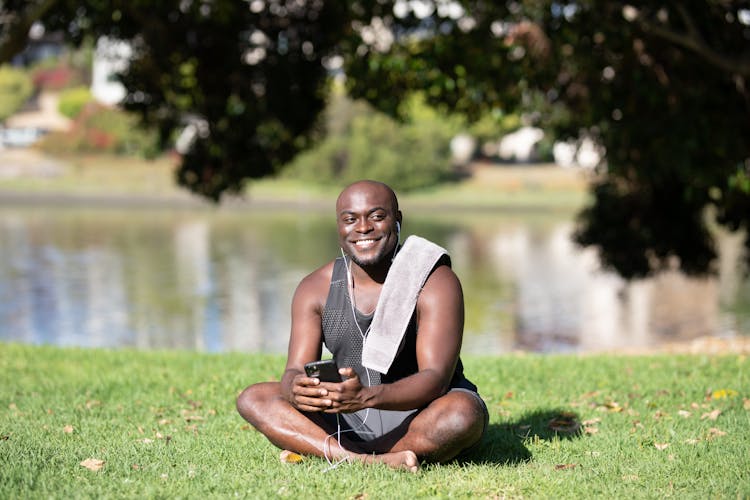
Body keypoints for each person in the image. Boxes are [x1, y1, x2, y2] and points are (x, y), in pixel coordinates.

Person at [236, 180, 488, 472]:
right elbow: (294, 369)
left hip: (420, 410)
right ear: (339, 227)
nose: (363, 227)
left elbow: (436, 379)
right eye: (350, 219)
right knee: (255, 398)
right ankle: (369, 460)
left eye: (377, 216)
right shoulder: (314, 288)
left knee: (462, 415)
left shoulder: (434, 280)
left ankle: (329, 449)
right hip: (350, 411)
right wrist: (296, 388)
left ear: (397, 220)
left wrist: (366, 397)